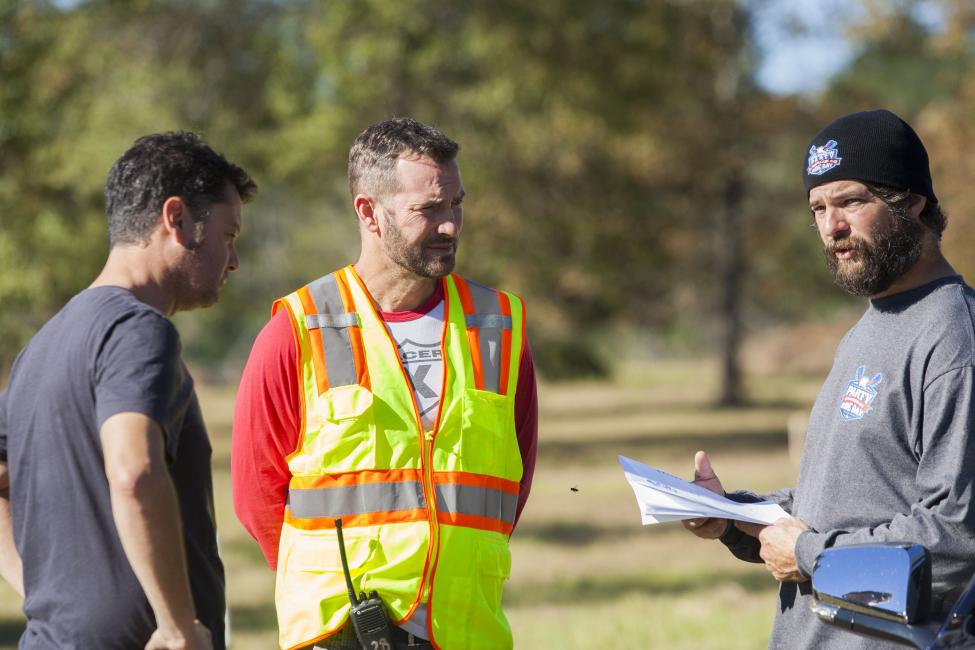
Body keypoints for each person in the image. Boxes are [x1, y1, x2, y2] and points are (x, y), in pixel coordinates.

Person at [232, 117, 538, 650]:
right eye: (428, 210)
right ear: (369, 213)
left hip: (469, 631)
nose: (450, 226)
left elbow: (514, 481)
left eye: (456, 204)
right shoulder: (297, 329)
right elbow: (257, 498)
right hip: (341, 636)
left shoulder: (498, 327)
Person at [683, 109, 975, 648]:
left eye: (850, 202)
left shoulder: (954, 340)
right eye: (817, 208)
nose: (830, 226)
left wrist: (809, 555)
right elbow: (851, 504)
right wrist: (733, 517)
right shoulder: (871, 327)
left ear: (912, 202)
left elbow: (956, 539)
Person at [0, 132, 257, 649]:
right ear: (177, 219)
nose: (232, 262)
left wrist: (42, 593)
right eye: (228, 236)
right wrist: (177, 628)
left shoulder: (42, 347)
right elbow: (135, 470)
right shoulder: (138, 330)